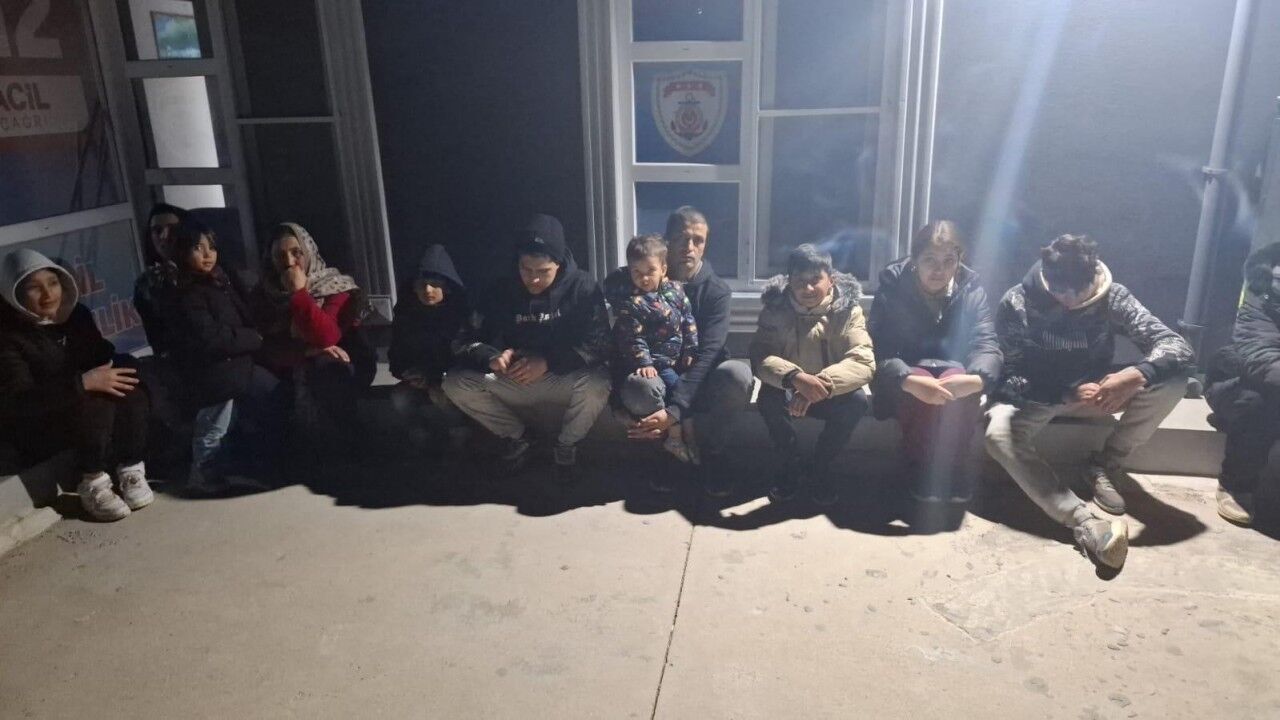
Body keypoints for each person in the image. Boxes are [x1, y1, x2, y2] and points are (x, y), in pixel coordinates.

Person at [984, 234, 1193, 571]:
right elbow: (1008, 374)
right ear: (1045, 277)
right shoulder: (1018, 301)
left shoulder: (1113, 296)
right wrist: (1064, 393)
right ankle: (1082, 521)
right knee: (997, 434)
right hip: (1041, 392)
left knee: (1173, 379)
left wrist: (1136, 375)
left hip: (1099, 389)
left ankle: (1105, 464)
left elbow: (1176, 346)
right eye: (1058, 290)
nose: (1067, 299)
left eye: (1077, 291)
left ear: (1093, 277)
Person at [444, 214, 611, 482]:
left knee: (598, 382)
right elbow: (463, 340)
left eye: (543, 272)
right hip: (513, 376)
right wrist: (492, 357)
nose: (533, 279)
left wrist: (548, 361)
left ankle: (566, 445)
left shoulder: (582, 286)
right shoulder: (500, 288)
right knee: (454, 383)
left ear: (558, 263)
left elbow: (599, 345)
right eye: (526, 269)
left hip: (561, 375)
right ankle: (520, 437)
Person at [605, 207, 754, 496]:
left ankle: (713, 454)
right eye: (682, 238)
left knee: (737, 375)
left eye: (698, 240)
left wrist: (675, 409)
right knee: (639, 385)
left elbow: (709, 353)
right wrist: (616, 401)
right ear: (667, 241)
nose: (689, 247)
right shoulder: (638, 282)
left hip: (700, 376)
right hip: (658, 372)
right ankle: (667, 454)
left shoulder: (716, 291)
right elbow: (622, 340)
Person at [0, 249, 155, 521]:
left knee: (130, 388)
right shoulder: (8, 336)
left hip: (81, 406)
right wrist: (83, 383)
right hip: (40, 421)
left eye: (53, 283)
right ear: (15, 294)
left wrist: (120, 367)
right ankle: (93, 482)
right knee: (95, 402)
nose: (48, 294)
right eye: (34, 288)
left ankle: (130, 468)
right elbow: (19, 400)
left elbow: (98, 354)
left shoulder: (76, 315)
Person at [867, 221, 1001, 509]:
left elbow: (986, 341)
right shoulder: (894, 286)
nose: (939, 270)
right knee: (922, 382)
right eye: (930, 260)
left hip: (954, 370)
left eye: (948, 261)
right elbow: (878, 346)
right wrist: (906, 379)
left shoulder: (970, 289)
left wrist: (978, 378)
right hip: (905, 370)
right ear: (915, 260)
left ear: (959, 261)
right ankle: (918, 464)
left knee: (959, 380)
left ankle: (955, 464)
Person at [748, 244, 875, 505]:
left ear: (831, 280)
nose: (807, 288)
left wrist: (821, 384)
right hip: (789, 387)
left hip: (829, 391)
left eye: (815, 280)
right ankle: (790, 463)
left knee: (857, 402)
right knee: (768, 399)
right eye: (799, 281)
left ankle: (821, 465)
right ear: (789, 281)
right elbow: (761, 355)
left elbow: (862, 360)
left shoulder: (848, 311)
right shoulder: (775, 310)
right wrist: (794, 378)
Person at [166, 218, 282, 492]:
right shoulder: (188, 293)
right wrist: (254, 339)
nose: (207, 254)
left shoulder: (221, 280)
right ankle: (203, 474)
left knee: (231, 420)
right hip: (216, 374)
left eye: (211, 247)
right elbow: (210, 337)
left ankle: (232, 468)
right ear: (183, 251)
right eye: (198, 248)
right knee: (214, 426)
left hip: (236, 367)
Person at [253, 222, 375, 448]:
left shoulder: (335, 286)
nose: (289, 262)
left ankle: (347, 445)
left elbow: (326, 337)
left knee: (329, 370)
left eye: (296, 253)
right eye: (280, 256)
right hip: (291, 362)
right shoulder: (264, 294)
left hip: (344, 359)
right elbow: (266, 347)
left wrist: (299, 293)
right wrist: (306, 351)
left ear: (309, 252)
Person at [1205, 242, 1280, 527]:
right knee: (1261, 402)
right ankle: (1236, 484)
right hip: (1233, 384)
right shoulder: (1261, 299)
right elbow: (1262, 361)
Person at [609, 233, 699, 470]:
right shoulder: (632, 304)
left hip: (675, 359)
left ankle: (691, 438)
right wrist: (645, 362)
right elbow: (633, 338)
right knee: (675, 391)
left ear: (663, 269)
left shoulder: (676, 292)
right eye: (636, 272)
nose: (644, 278)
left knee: (684, 391)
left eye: (650, 270)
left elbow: (688, 320)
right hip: (656, 363)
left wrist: (691, 347)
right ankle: (676, 438)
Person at [388, 244, 471, 455]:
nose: (427, 290)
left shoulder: (459, 316)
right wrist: (407, 372)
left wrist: (432, 376)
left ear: (447, 287)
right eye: (422, 285)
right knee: (399, 398)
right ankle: (421, 439)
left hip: (448, 381)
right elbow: (396, 353)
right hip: (418, 379)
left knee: (440, 394)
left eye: (434, 284)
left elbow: (463, 355)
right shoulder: (406, 315)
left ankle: (460, 436)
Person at [133, 202, 188, 358]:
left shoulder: (206, 268)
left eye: (172, 229)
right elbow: (157, 339)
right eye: (157, 230)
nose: (164, 236)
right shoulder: (145, 285)